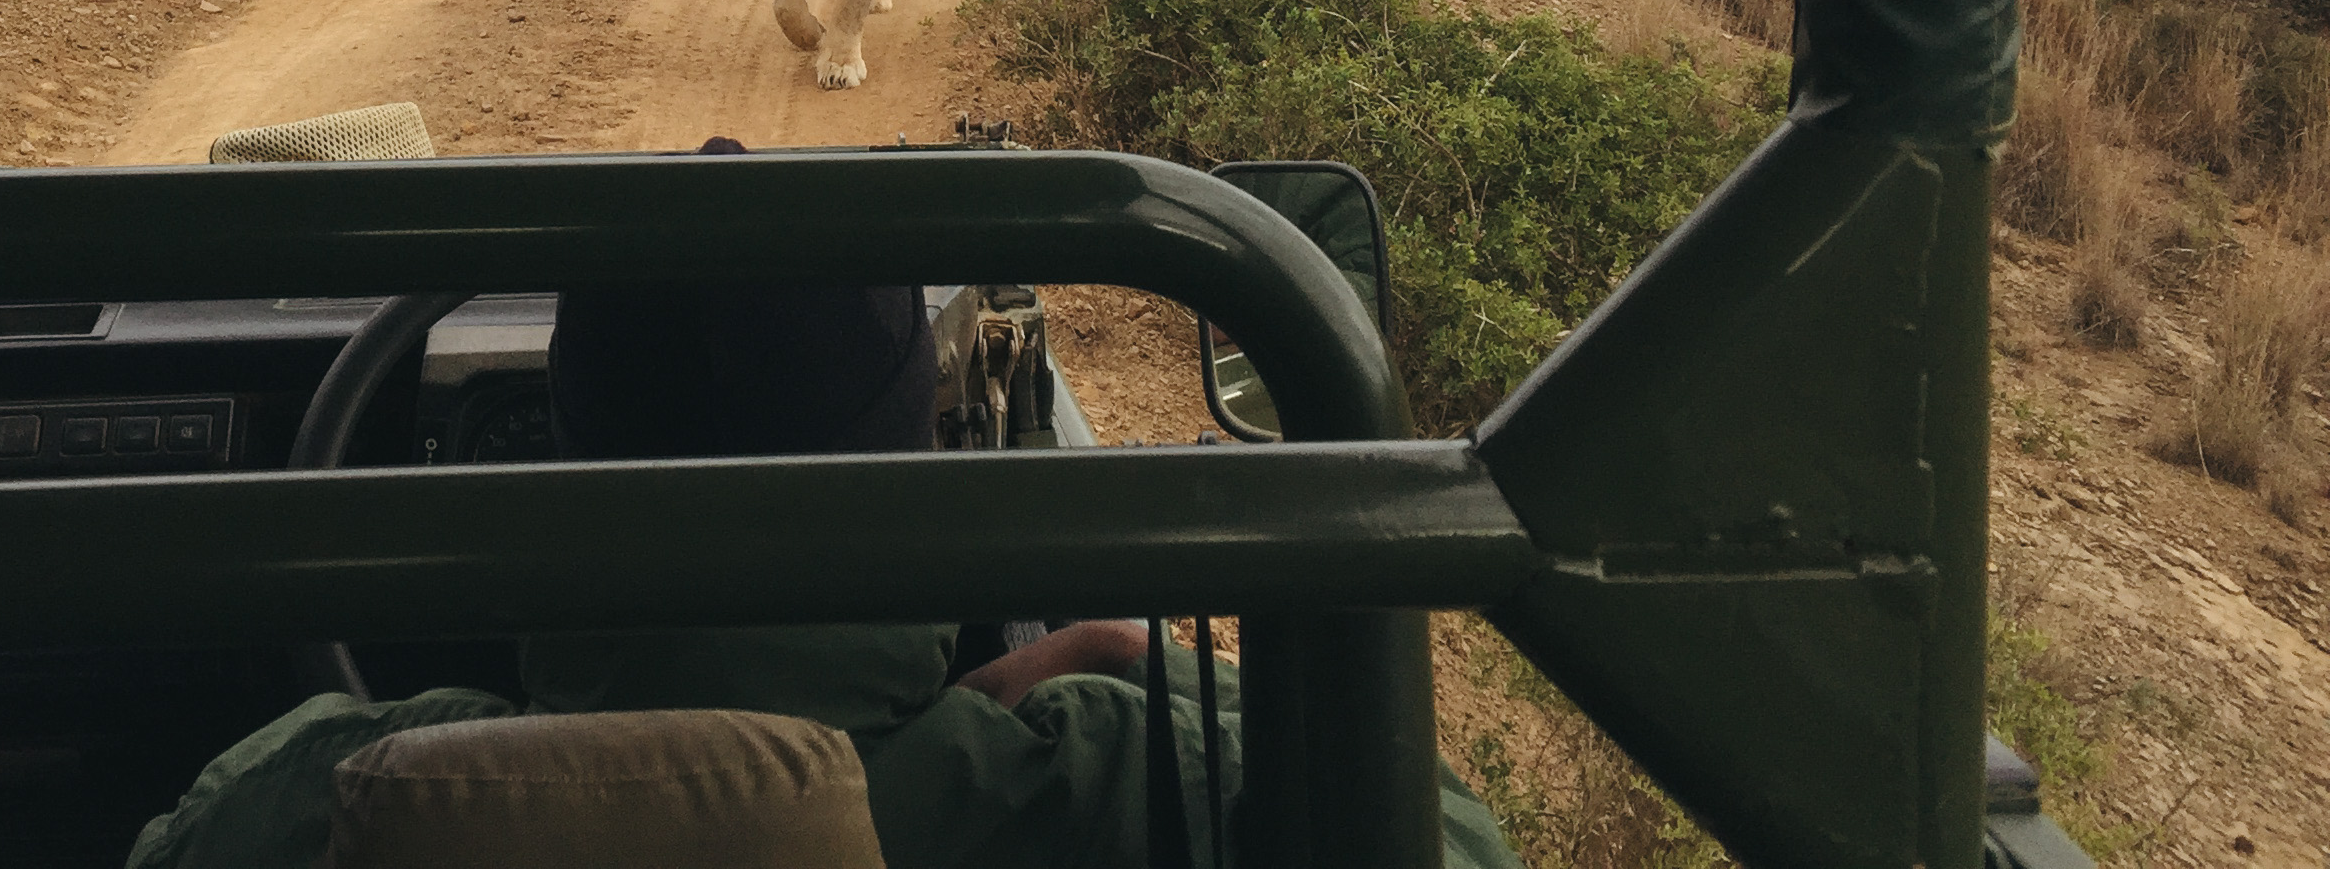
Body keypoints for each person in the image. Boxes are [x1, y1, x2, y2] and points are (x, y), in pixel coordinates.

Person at [129, 262, 1518, 869]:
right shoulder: (1097, 792)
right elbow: (1435, 840)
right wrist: (1140, 667)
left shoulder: (317, 796)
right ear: (906, 491)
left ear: (551, 495)